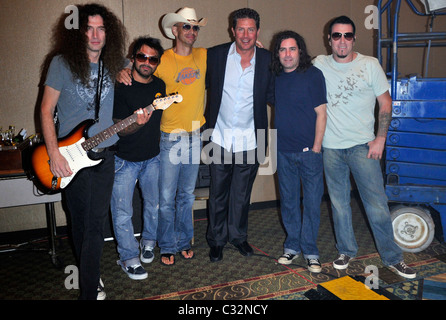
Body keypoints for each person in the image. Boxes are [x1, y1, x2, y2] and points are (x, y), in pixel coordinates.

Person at [313, 16, 416, 278]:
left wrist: (381, 138)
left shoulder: (369, 65)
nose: (342, 41)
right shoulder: (319, 64)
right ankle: (346, 249)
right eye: (337, 36)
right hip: (331, 148)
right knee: (339, 205)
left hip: (364, 147)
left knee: (377, 205)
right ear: (329, 39)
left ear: (354, 38)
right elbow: (289, 64)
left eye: (348, 35)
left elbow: (385, 103)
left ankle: (393, 257)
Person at [40, 3, 126, 299]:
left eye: (101, 28)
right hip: (70, 157)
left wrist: (127, 69)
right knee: (79, 220)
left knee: (94, 222)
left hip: (104, 155)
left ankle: (88, 287)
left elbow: (144, 64)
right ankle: (90, 272)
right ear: (79, 32)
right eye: (89, 28)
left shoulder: (115, 63)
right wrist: (54, 154)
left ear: (109, 33)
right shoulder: (61, 63)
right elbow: (46, 109)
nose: (95, 34)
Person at [118, 7, 208, 266]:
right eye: (186, 26)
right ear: (175, 30)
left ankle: (183, 241)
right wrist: (122, 69)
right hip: (169, 138)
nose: (191, 31)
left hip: (195, 135)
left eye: (195, 27)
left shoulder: (203, 55)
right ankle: (166, 244)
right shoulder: (162, 59)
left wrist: (253, 47)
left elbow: (232, 53)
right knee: (166, 197)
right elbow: (137, 67)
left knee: (187, 195)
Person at [205, 8, 274, 262]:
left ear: (257, 31)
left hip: (250, 140)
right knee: (218, 193)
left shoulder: (268, 60)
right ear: (232, 30)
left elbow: (282, 89)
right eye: (241, 29)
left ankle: (238, 237)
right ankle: (216, 240)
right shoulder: (215, 56)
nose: (246, 35)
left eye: (251, 29)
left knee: (241, 195)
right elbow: (187, 77)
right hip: (219, 137)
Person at [271, 31, 327, 272]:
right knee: (289, 203)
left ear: (300, 51)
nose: (287, 54)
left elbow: (321, 114)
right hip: (283, 151)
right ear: (278, 54)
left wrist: (316, 148)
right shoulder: (275, 77)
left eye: (292, 49)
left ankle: (311, 251)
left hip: (309, 153)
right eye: (282, 49)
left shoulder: (313, 75)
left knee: (312, 204)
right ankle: (292, 247)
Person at [111, 37, 166, 280]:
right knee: (122, 211)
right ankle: (128, 257)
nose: (147, 62)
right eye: (142, 57)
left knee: (153, 205)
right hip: (124, 159)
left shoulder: (161, 86)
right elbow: (118, 129)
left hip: (153, 158)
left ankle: (148, 242)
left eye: (152, 59)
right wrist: (135, 124)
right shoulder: (120, 84)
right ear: (133, 58)